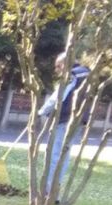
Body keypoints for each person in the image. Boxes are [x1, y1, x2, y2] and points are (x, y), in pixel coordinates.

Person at [38, 53, 90, 195]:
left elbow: (58, 97)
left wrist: (41, 111)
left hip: (66, 119)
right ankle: (54, 191)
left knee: (56, 153)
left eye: (58, 66)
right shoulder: (88, 74)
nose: (56, 70)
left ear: (64, 63)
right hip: (78, 120)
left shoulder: (72, 75)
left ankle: (49, 192)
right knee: (64, 154)